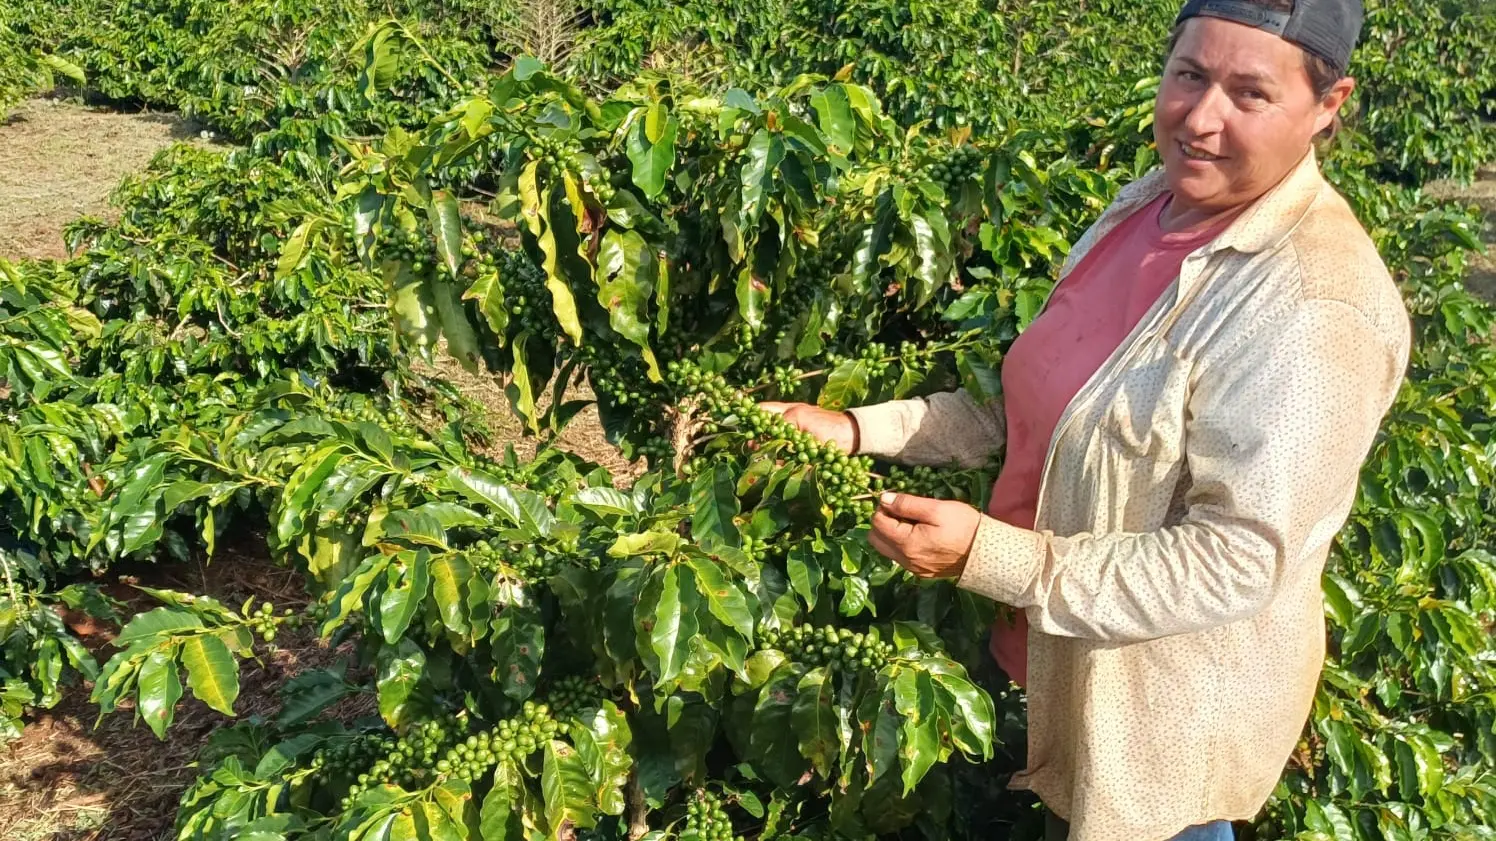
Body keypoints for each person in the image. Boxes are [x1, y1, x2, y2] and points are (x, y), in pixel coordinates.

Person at [762, 1, 1409, 839]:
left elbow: (1237, 559)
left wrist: (989, 556)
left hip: (1146, 732)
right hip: (1031, 666)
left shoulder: (1317, 302)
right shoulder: (1145, 207)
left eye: (1250, 94)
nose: (1201, 118)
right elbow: (1038, 401)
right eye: (1189, 75)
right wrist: (856, 427)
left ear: (1328, 105)